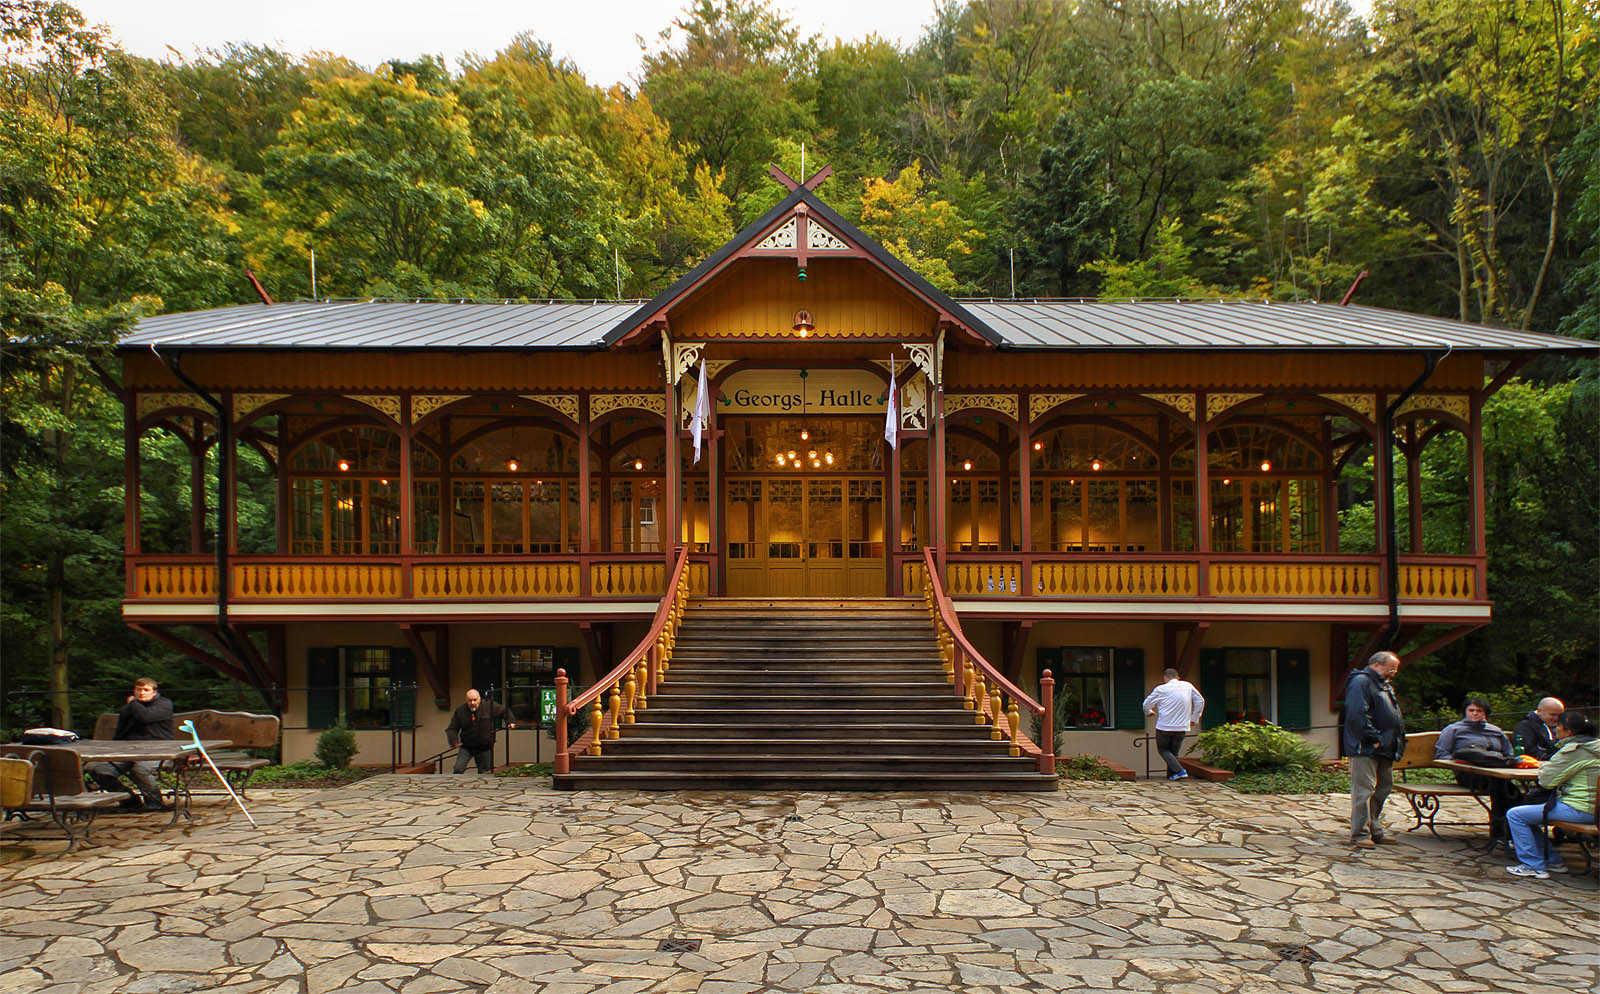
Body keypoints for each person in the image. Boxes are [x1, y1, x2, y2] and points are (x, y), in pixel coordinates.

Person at [1505, 711, 1599, 879]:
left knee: (1516, 815)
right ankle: (1553, 860)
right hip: (1595, 809)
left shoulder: (1573, 751)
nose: (1555, 730)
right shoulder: (1595, 747)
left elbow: (1546, 781)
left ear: (1569, 732)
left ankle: (1533, 865)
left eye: (1559, 727)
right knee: (1530, 814)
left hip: (1581, 809)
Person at [1343, 650, 1405, 849]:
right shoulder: (1360, 682)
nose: (1393, 673)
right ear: (1377, 664)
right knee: (1364, 791)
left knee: (1383, 788)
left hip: (1386, 748)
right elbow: (1356, 714)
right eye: (1391, 669)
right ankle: (1359, 834)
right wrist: (1374, 738)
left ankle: (1375, 828)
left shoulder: (1384, 686)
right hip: (1366, 748)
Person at [87, 677, 174, 811]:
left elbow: (145, 717)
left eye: (146, 690)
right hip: (128, 751)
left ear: (154, 692)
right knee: (97, 769)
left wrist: (133, 703)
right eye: (138, 690)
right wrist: (112, 752)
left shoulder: (164, 705)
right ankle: (129, 800)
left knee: (139, 769)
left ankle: (154, 803)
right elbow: (121, 731)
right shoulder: (128, 709)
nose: (142, 693)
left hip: (158, 751)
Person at [1435, 697, 1515, 795]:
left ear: (1485, 713)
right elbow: (1442, 755)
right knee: (1502, 786)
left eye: (1479, 711)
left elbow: (1508, 753)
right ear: (1465, 712)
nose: (1475, 713)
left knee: (1507, 787)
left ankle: (1511, 809)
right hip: (1469, 773)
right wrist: (1461, 763)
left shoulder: (1496, 731)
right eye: (1471, 710)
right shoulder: (1453, 729)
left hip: (1497, 770)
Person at [1143, 668, 1204, 781]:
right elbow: (1200, 701)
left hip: (1164, 726)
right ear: (1178, 677)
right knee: (1173, 753)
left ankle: (1180, 771)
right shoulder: (1188, 686)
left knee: (1163, 750)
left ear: (1165, 678)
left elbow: (1146, 704)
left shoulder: (1161, 689)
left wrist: (1149, 712)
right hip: (1182, 726)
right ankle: (1173, 776)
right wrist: (1194, 718)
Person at [445, 689, 517, 774]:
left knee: (485, 772)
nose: (472, 703)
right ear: (466, 700)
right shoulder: (460, 711)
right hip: (467, 746)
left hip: (484, 747)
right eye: (470, 700)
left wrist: (510, 722)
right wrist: (454, 741)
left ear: (479, 698)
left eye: (475, 700)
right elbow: (452, 728)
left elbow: (505, 711)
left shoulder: (489, 706)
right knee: (458, 769)